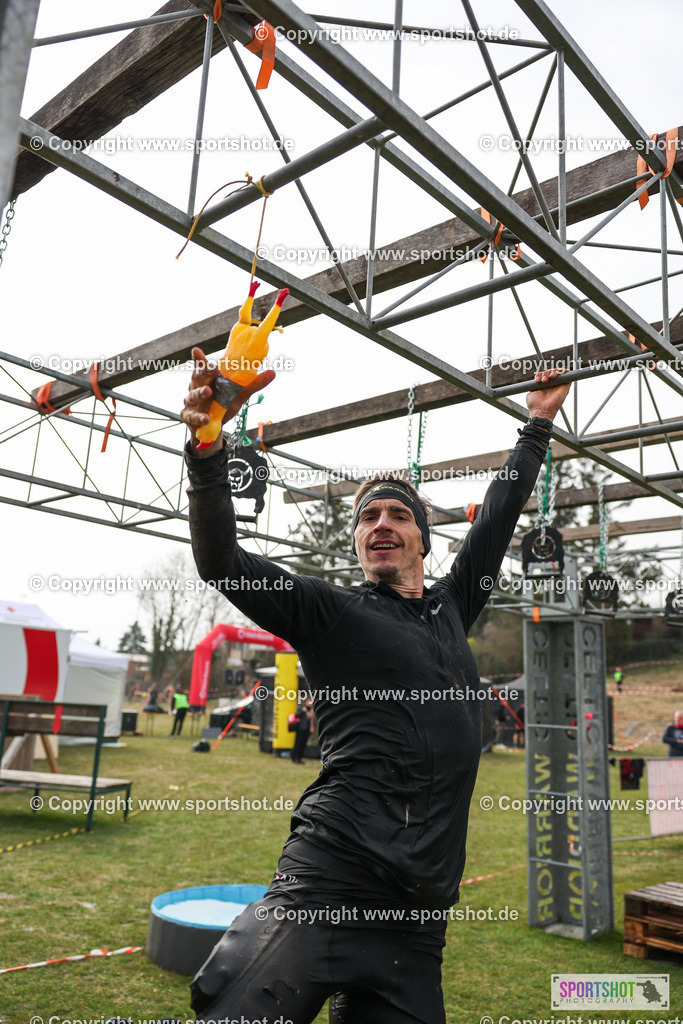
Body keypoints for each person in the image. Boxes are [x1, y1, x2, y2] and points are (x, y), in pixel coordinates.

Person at [180, 347, 570, 1024]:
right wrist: (207, 449)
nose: (379, 525)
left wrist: (535, 424)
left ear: (422, 537)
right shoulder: (330, 613)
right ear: (356, 544)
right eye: (366, 518)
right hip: (328, 883)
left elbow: (498, 518)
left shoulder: (453, 608)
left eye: (395, 515)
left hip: (415, 923)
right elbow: (221, 562)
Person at [291, 697, 313, 764]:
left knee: (303, 745)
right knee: (298, 744)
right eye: (309, 701)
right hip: (300, 729)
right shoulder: (302, 708)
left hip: (307, 730)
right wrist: (302, 711)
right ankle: (294, 758)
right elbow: (296, 715)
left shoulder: (311, 710)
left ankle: (299, 758)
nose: (310, 703)